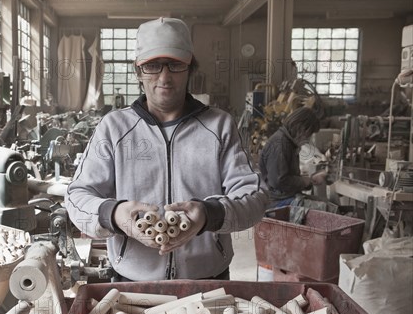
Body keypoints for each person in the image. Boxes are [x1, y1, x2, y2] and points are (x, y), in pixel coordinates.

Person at [65, 17, 268, 281]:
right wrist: (114, 214)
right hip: (132, 282)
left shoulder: (219, 126)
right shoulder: (114, 127)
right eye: (152, 66)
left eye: (175, 65)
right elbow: (76, 197)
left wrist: (208, 215)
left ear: (189, 68)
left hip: (207, 281)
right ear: (138, 71)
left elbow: (255, 197)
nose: (164, 77)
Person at [258, 106, 324, 209]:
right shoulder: (280, 144)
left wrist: (310, 181)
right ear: (300, 128)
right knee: (326, 209)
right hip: (275, 201)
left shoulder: (290, 143)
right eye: (308, 134)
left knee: (325, 203)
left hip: (285, 196)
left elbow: (288, 177)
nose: (308, 139)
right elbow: (278, 181)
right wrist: (302, 181)